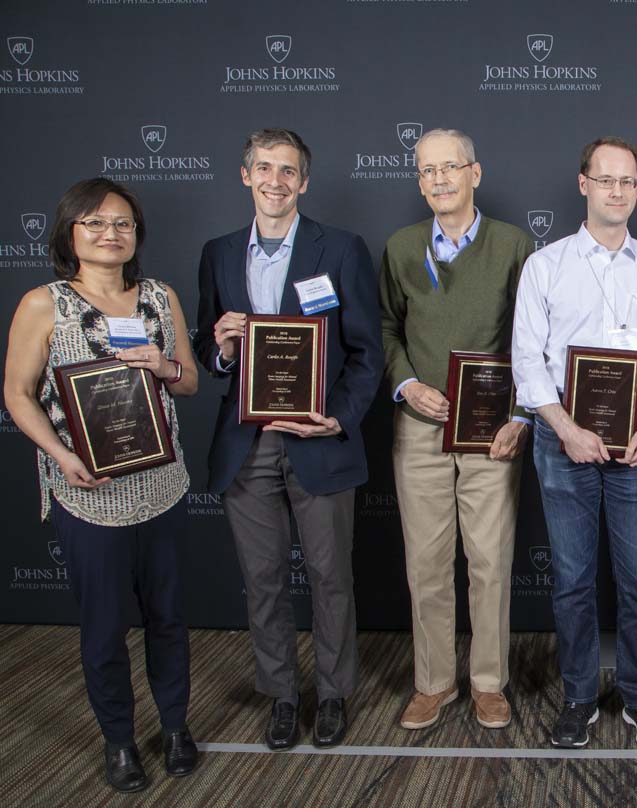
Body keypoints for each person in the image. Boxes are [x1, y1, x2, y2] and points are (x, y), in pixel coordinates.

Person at [3, 178, 199, 792]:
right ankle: (119, 741)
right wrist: (61, 455)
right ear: (70, 233)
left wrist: (163, 366)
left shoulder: (161, 298)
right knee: (104, 626)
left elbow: (189, 380)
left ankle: (174, 728)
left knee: (168, 617)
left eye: (121, 224)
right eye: (94, 223)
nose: (110, 233)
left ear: (135, 234)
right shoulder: (45, 303)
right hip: (88, 491)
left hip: (162, 485)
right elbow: (15, 393)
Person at [194, 129, 383, 751]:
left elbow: (366, 352)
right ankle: (281, 694)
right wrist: (221, 353)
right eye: (264, 168)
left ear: (305, 181)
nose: (276, 181)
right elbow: (206, 353)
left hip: (318, 439)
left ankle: (332, 695)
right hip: (246, 444)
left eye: (289, 171)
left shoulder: (342, 249)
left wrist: (338, 417)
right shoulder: (218, 253)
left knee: (331, 578)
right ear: (244, 174)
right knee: (264, 580)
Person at [511, 136, 637, 750]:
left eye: (629, 181)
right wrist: (564, 429)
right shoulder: (546, 265)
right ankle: (580, 697)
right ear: (583, 183)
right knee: (572, 580)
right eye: (606, 179)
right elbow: (527, 363)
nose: (618, 190)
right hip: (562, 437)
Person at [379, 128, 535, 731]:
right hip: (419, 422)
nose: (439, 179)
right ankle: (434, 682)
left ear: (476, 172)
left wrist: (521, 414)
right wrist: (405, 384)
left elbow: (532, 339)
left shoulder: (514, 244)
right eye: (427, 171)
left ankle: (489, 682)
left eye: (451, 167)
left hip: (491, 428)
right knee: (425, 561)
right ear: (418, 181)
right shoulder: (400, 245)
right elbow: (388, 329)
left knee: (490, 561)